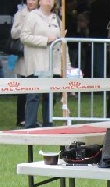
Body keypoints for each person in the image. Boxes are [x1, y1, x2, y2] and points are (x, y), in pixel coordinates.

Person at [20, 0, 66, 128]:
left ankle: (48, 123)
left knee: (51, 96)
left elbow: (63, 42)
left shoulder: (56, 19)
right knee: (34, 95)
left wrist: (66, 64)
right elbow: (24, 37)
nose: (49, 1)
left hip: (54, 64)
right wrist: (45, 40)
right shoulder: (32, 16)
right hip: (37, 63)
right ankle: (30, 124)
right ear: (39, 2)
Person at [11, 0, 38, 127]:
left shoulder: (40, 14)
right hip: (24, 56)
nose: (31, 2)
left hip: (37, 55)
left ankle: (32, 117)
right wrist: (25, 26)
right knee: (23, 89)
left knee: (36, 89)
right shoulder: (20, 14)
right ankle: (21, 118)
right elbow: (13, 33)